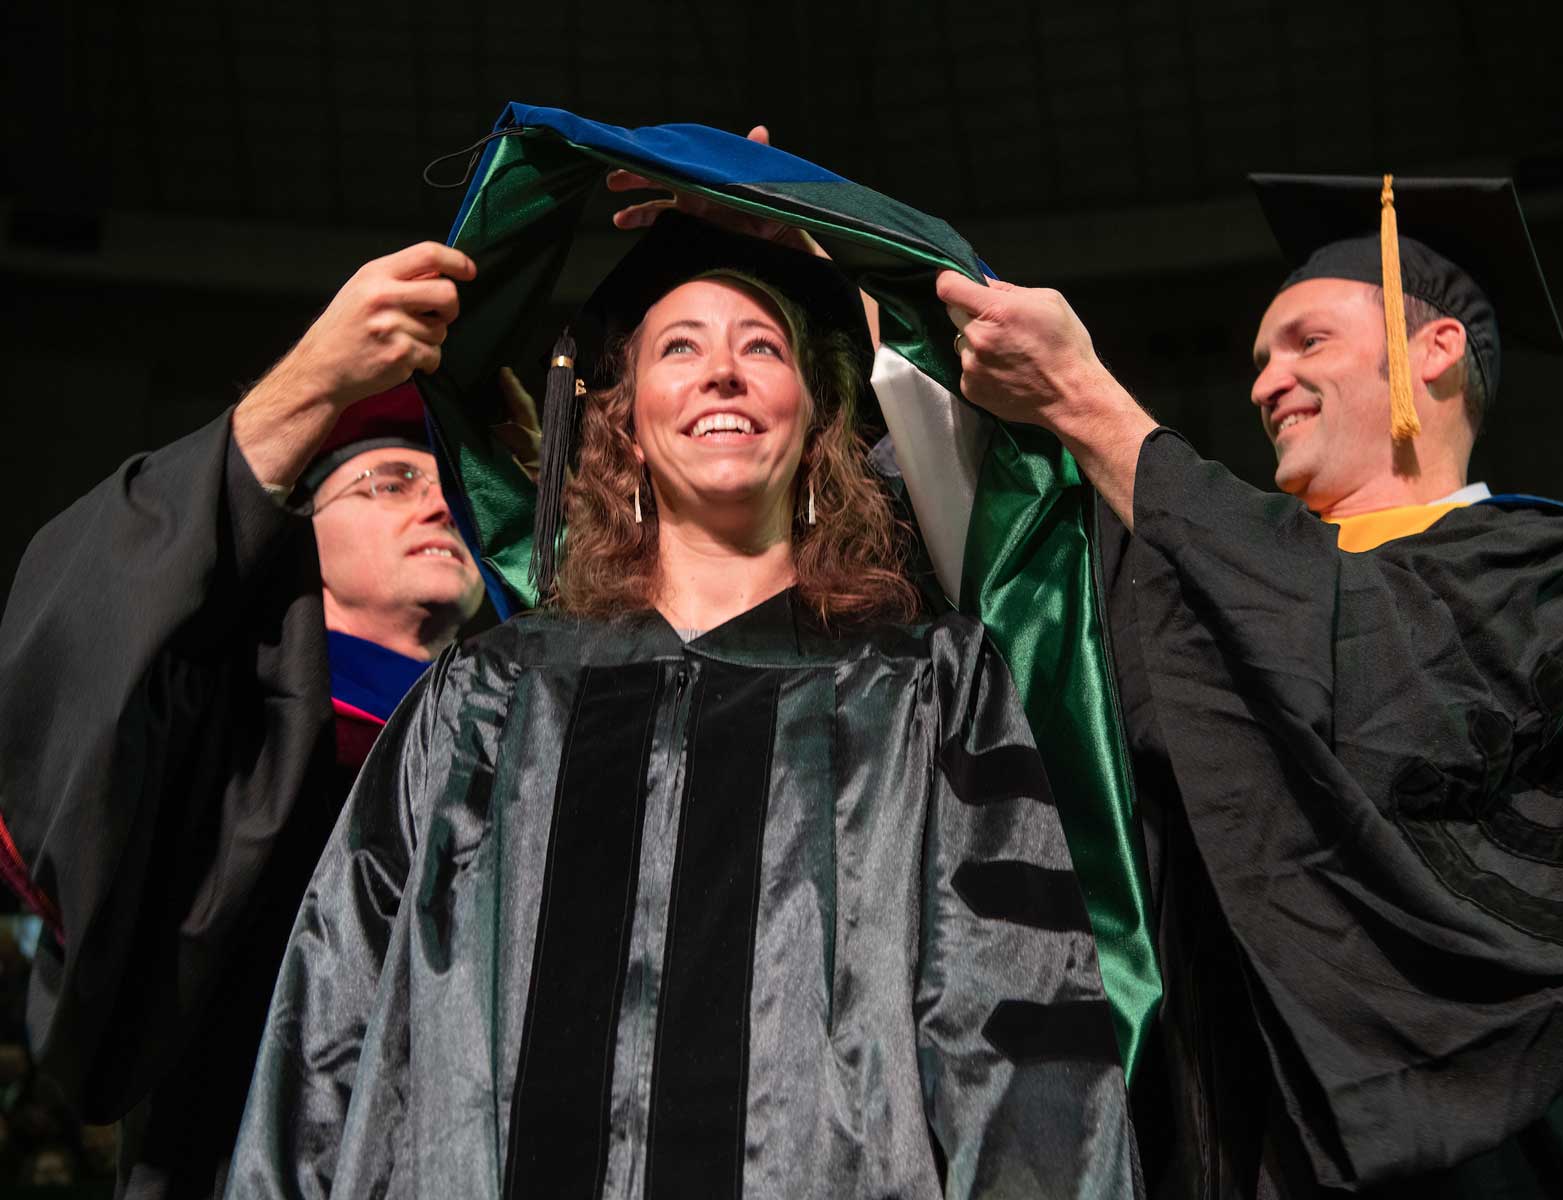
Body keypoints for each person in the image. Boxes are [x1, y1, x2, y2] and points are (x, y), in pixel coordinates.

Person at [224, 213, 1142, 1199]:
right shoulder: (484, 699)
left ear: (819, 413)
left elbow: (1018, 1048)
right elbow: (333, 1040)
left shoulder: (925, 690)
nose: (723, 373)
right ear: (619, 416)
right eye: (679, 346)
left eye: (763, 346)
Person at [926, 175, 1563, 1198]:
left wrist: (1093, 404)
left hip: (1527, 1171)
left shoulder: (1561, 572)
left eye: (1306, 342)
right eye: (1262, 359)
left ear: (1433, 350)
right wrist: (827, 270)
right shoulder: (1203, 592)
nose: (1266, 383)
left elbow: (1366, 675)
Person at [0, 241, 487, 1198]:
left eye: (446, 487)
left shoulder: (524, 728)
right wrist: (298, 397)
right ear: (297, 531)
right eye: (389, 482)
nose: (435, 498)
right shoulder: (227, 719)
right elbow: (85, 673)